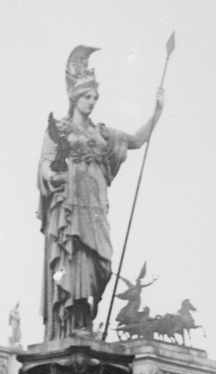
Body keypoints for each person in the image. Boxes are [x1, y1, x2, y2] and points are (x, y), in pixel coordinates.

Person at [38, 46, 164, 340]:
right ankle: (75, 318)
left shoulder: (104, 133)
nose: (92, 102)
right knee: (72, 261)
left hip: (95, 208)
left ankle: (86, 312)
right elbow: (45, 162)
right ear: (74, 97)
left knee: (102, 265)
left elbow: (135, 140)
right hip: (69, 208)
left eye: (95, 97)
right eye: (87, 97)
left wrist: (157, 113)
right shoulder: (58, 128)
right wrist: (51, 175)